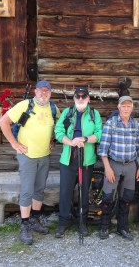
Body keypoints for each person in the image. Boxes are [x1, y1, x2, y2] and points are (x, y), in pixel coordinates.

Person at [0, 80, 60, 245]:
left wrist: (54, 140)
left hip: (44, 155)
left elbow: (59, 127)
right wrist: (14, 143)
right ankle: (25, 225)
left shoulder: (54, 108)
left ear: (50, 93)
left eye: (47, 91)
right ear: (36, 91)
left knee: (39, 190)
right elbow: (3, 122)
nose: (44, 93)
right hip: (27, 156)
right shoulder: (24, 105)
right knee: (27, 191)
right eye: (41, 90)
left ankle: (35, 219)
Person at [53, 87, 103, 238]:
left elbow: (100, 134)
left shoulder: (94, 114)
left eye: (84, 96)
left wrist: (84, 139)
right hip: (68, 160)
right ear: (74, 98)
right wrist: (71, 142)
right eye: (78, 96)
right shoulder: (67, 113)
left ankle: (82, 222)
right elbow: (58, 131)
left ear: (88, 98)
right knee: (65, 193)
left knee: (84, 192)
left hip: (86, 161)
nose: (80, 99)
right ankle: (63, 223)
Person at [98, 96, 139, 241]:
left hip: (131, 165)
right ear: (118, 107)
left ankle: (122, 227)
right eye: (123, 106)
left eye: (128, 106)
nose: (126, 108)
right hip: (114, 164)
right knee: (108, 197)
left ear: (132, 108)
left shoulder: (135, 125)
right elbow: (103, 150)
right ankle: (105, 226)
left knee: (127, 198)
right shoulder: (111, 124)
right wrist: (107, 168)